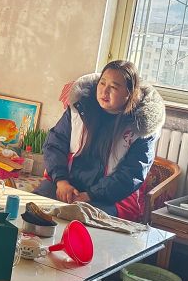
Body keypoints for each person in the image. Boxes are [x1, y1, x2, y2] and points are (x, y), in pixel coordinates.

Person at [35, 60, 165, 219]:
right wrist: (61, 181)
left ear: (129, 93)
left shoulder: (141, 128)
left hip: (112, 197)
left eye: (114, 87)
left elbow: (131, 174)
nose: (105, 91)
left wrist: (90, 195)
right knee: (34, 209)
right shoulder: (79, 109)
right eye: (102, 83)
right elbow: (54, 144)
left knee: (83, 220)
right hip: (67, 184)